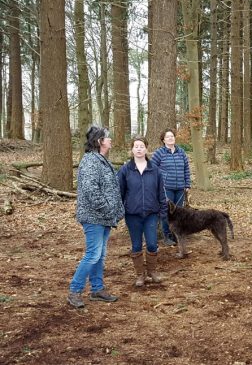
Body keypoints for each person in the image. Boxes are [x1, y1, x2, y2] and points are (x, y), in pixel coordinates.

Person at [67, 126, 125, 308]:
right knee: (93, 254)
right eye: (108, 138)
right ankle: (74, 290)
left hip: (104, 217)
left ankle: (97, 289)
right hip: (94, 217)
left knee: (100, 255)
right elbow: (91, 190)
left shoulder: (100, 160)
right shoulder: (91, 161)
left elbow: (110, 188)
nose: (110, 140)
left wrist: (114, 210)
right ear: (100, 141)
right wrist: (107, 208)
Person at [118, 136, 167, 287]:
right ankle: (140, 275)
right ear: (132, 150)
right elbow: (119, 192)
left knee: (152, 244)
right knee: (136, 245)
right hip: (132, 214)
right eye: (136, 146)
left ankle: (152, 272)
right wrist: (120, 211)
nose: (139, 149)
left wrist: (163, 213)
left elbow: (161, 193)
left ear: (146, 149)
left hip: (151, 214)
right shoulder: (125, 170)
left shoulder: (155, 170)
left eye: (141, 146)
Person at [151, 128, 191, 246]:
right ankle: (167, 236)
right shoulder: (159, 153)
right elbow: (153, 169)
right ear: (163, 140)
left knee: (179, 214)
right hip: (166, 188)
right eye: (167, 137)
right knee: (166, 213)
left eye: (172, 136)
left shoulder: (181, 152)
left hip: (180, 188)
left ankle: (176, 235)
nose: (170, 138)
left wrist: (187, 184)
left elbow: (186, 169)